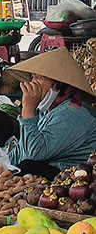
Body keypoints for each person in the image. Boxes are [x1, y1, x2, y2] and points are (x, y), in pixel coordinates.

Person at [8, 49, 96, 179]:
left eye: (38, 78)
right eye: (32, 77)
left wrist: (28, 108)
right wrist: (3, 164)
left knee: (28, 167)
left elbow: (34, 153)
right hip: (49, 166)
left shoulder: (73, 113)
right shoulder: (47, 110)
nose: (32, 82)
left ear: (56, 85)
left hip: (71, 178)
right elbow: (22, 149)